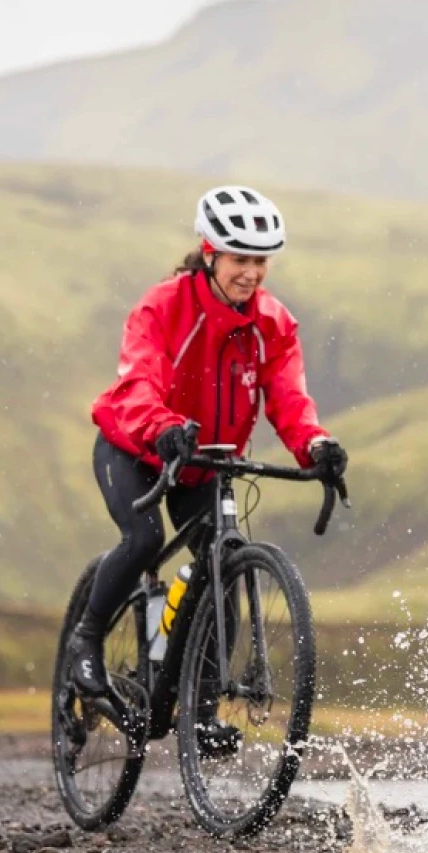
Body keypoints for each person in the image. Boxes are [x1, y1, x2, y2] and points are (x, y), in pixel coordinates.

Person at [64, 185, 348, 733]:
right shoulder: (163, 306)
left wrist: (314, 444)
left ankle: (198, 711)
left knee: (222, 564)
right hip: (136, 446)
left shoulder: (273, 324)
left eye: (261, 260)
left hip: (208, 461)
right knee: (144, 540)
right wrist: (164, 427)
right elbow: (140, 379)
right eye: (241, 258)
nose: (252, 273)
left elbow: (288, 397)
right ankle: (87, 639)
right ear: (210, 252)